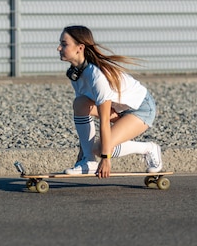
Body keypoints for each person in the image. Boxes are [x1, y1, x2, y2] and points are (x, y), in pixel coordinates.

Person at [57, 25, 162, 178]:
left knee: (100, 149)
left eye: (64, 44)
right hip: (120, 109)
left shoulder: (97, 76)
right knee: (79, 103)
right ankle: (89, 162)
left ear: (80, 48)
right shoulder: (76, 74)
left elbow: (104, 119)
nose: (58, 48)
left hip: (142, 109)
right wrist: (83, 154)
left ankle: (149, 148)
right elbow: (85, 110)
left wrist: (106, 159)